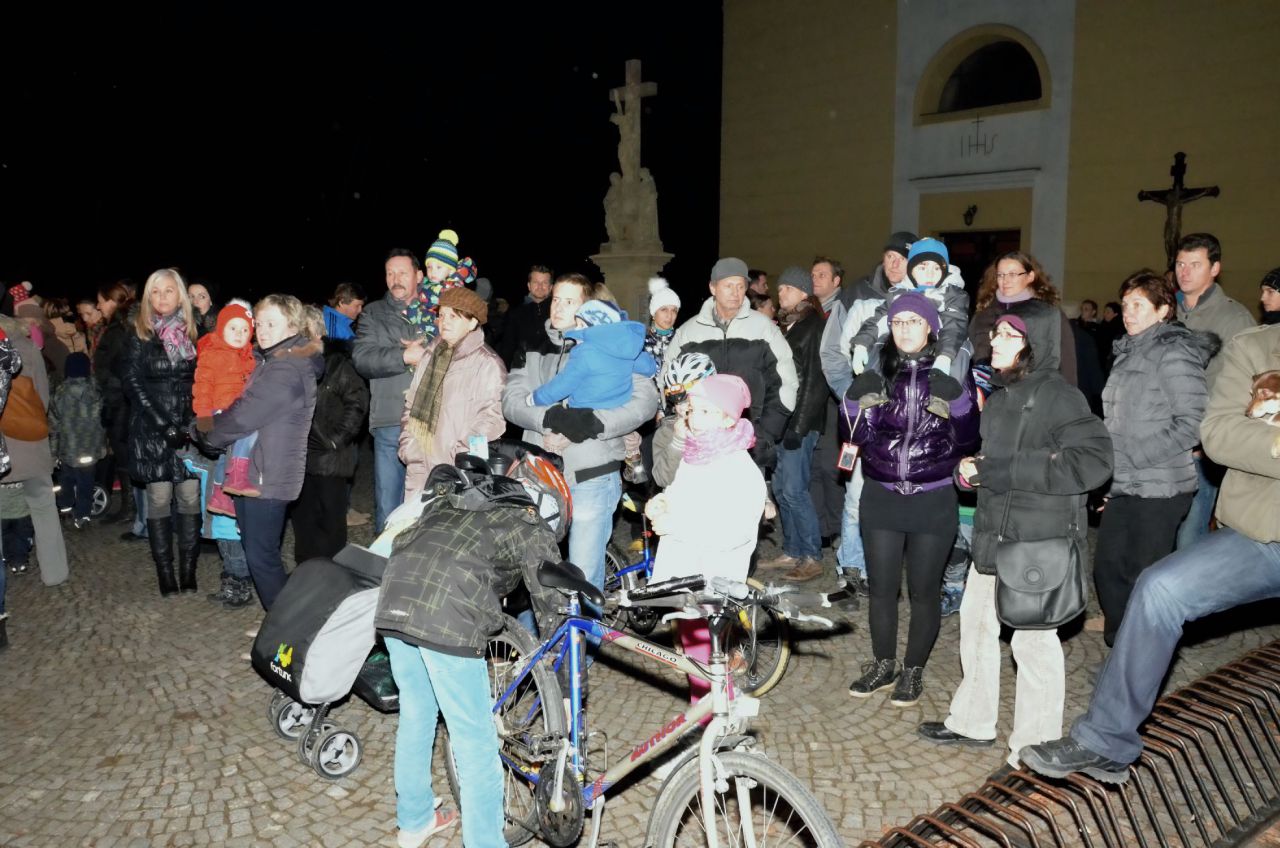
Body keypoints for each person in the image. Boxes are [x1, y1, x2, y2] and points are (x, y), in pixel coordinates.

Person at [1019, 321, 1280, 784]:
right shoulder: (1256, 347)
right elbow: (1218, 432)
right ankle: (1106, 740)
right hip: (1265, 533)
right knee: (1160, 588)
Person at [916, 311, 1113, 767]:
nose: (996, 341)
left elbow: (1093, 462)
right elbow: (994, 465)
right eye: (996, 333)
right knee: (977, 626)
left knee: (1033, 645)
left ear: (1034, 345)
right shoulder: (1002, 397)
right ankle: (973, 721)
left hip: (1035, 543)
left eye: (1010, 335)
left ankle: (1033, 749)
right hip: (993, 536)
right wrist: (970, 472)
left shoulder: (1059, 396)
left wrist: (999, 470)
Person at [373, 452, 567, 848]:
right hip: (448, 618)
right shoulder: (530, 523)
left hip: (394, 597)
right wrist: (563, 684)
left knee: (416, 714)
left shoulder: (461, 497)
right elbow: (554, 608)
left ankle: (414, 820)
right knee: (475, 740)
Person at [843, 293, 980, 706]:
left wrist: (959, 402)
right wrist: (854, 400)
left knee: (924, 591)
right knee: (882, 589)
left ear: (931, 329)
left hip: (932, 498)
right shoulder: (879, 369)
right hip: (882, 496)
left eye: (914, 322)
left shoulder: (950, 372)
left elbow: (969, 441)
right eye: (898, 322)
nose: (904, 329)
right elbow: (855, 437)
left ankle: (913, 668)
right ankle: (883, 664)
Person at [503, 273, 660, 606]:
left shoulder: (615, 344)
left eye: (569, 301)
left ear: (588, 307)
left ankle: (584, 638)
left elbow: (645, 401)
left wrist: (591, 424)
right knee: (533, 573)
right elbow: (512, 400)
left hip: (592, 474)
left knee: (583, 576)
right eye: (556, 299)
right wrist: (548, 420)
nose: (558, 307)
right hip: (540, 476)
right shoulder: (531, 344)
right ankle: (539, 636)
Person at [1094, 271, 1214, 646]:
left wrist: (1133, 456)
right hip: (1125, 481)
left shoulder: (1174, 352)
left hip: (1162, 486)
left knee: (1141, 574)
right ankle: (1121, 642)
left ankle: (1138, 650)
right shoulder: (1127, 352)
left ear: (1163, 310)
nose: (1128, 312)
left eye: (1138, 304)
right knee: (1107, 568)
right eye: (1125, 304)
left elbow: (1193, 422)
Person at [646, 374, 766, 710]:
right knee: (699, 660)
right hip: (689, 574)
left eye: (705, 411)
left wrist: (675, 523)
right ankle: (714, 717)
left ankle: (715, 721)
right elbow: (684, 496)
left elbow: (733, 530)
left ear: (728, 419)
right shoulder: (696, 454)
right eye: (692, 409)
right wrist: (664, 502)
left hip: (712, 579)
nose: (694, 417)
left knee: (704, 662)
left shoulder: (737, 466)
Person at [202, 295, 323, 610]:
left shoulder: (287, 368)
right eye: (260, 323)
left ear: (293, 327)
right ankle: (283, 623)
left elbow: (245, 414)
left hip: (268, 475)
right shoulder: (269, 361)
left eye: (272, 323)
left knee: (262, 557)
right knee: (259, 553)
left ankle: (288, 630)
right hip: (254, 470)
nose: (263, 331)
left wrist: (205, 431)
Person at [824, 233, 917, 596]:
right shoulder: (860, 301)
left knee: (897, 501)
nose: (894, 263)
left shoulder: (926, 304)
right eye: (889, 256)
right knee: (856, 497)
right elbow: (835, 355)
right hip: (867, 420)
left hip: (908, 423)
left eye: (902, 258)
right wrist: (853, 399)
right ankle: (851, 567)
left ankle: (884, 570)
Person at [663, 257, 798, 473]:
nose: (735, 292)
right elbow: (669, 382)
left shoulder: (764, 328)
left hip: (750, 441)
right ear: (713, 288)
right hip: (699, 443)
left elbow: (786, 382)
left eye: (740, 286)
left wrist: (765, 433)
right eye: (728, 286)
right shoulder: (688, 332)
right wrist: (684, 424)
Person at [1172, 233, 1258, 551]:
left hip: (1201, 443)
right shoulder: (1166, 310)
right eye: (1180, 264)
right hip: (1164, 439)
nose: (1185, 272)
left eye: (1195, 264)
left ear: (1215, 268)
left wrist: (1211, 437)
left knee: (1190, 535)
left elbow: (1246, 384)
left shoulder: (1234, 318)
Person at [122, 269, 202, 596]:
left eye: (168, 290)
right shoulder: (140, 333)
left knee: (190, 497)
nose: (162, 297)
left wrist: (190, 425)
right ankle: (165, 573)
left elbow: (204, 380)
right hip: (152, 429)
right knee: (158, 499)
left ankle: (188, 570)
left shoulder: (194, 331)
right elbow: (132, 382)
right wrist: (162, 424)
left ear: (179, 294)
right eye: (155, 292)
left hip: (189, 429)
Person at [399, 287, 506, 499]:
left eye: (453, 316)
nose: (444, 322)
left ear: (472, 322)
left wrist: (460, 458)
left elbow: (491, 421)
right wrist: (409, 447)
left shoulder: (487, 363)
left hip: (458, 474)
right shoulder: (430, 355)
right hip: (419, 467)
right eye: (442, 315)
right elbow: (411, 403)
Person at [353, 248, 427, 533]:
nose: (396, 279)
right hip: (390, 420)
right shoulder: (373, 313)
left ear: (419, 276)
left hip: (432, 421)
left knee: (426, 505)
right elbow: (363, 359)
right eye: (390, 273)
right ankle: (383, 558)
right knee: (388, 506)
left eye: (403, 273)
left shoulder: (438, 311)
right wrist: (404, 356)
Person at [762, 266, 828, 581]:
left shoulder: (813, 326)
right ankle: (792, 549)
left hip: (800, 422)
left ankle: (812, 556)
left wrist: (799, 427)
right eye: (780, 288)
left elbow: (814, 381)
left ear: (803, 292)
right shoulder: (790, 325)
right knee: (780, 488)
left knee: (794, 490)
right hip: (782, 420)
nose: (780, 293)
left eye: (786, 288)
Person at [848, 238, 970, 406]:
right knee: (880, 341)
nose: (930, 274)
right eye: (923, 267)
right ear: (911, 269)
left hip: (939, 344)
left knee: (963, 345)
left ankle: (943, 394)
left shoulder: (952, 294)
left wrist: (945, 357)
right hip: (905, 349)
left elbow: (955, 326)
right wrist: (861, 344)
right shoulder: (898, 293)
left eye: (936, 268)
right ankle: (873, 385)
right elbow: (878, 320)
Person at [291, 306, 368, 563]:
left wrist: (336, 440)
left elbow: (357, 403)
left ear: (318, 332)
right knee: (302, 515)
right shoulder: (290, 363)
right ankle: (306, 570)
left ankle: (332, 571)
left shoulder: (337, 363)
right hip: (299, 453)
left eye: (305, 330)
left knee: (330, 517)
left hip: (329, 456)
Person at [968, 251, 1077, 387]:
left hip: (1035, 391)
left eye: (1013, 274)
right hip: (989, 391)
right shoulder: (984, 313)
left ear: (1030, 276)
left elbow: (1067, 361)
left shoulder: (1046, 313)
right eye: (1000, 275)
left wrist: (1066, 392)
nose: (1005, 280)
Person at [193, 301, 257, 515]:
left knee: (225, 454)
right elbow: (202, 387)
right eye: (233, 328)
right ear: (221, 328)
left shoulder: (249, 357)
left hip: (238, 410)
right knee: (250, 429)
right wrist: (203, 421)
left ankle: (220, 495)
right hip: (219, 411)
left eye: (245, 330)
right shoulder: (213, 354)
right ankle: (237, 475)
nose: (239, 334)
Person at [93, 282, 141, 531]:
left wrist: (111, 397)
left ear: (112, 301)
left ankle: (131, 509)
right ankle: (130, 508)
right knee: (123, 456)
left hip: (121, 403)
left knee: (125, 455)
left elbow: (119, 369)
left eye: (100, 300)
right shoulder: (116, 327)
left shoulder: (119, 330)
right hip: (119, 401)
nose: (98, 306)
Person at [49, 352, 106, 529]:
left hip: (67, 449)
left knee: (66, 481)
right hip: (89, 449)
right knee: (86, 483)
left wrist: (53, 452)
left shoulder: (59, 393)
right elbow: (102, 423)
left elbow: (54, 426)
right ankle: (83, 516)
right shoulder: (96, 392)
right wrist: (102, 446)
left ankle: (65, 509)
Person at [500, 264, 555, 367]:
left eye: (545, 282)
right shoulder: (515, 315)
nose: (540, 286)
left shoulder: (558, 313)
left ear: (551, 287)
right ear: (529, 286)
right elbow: (507, 349)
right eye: (536, 282)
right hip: (522, 372)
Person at [645, 276, 681, 365]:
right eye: (664, 309)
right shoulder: (641, 343)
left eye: (674, 310)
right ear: (653, 314)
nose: (670, 315)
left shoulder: (682, 341)